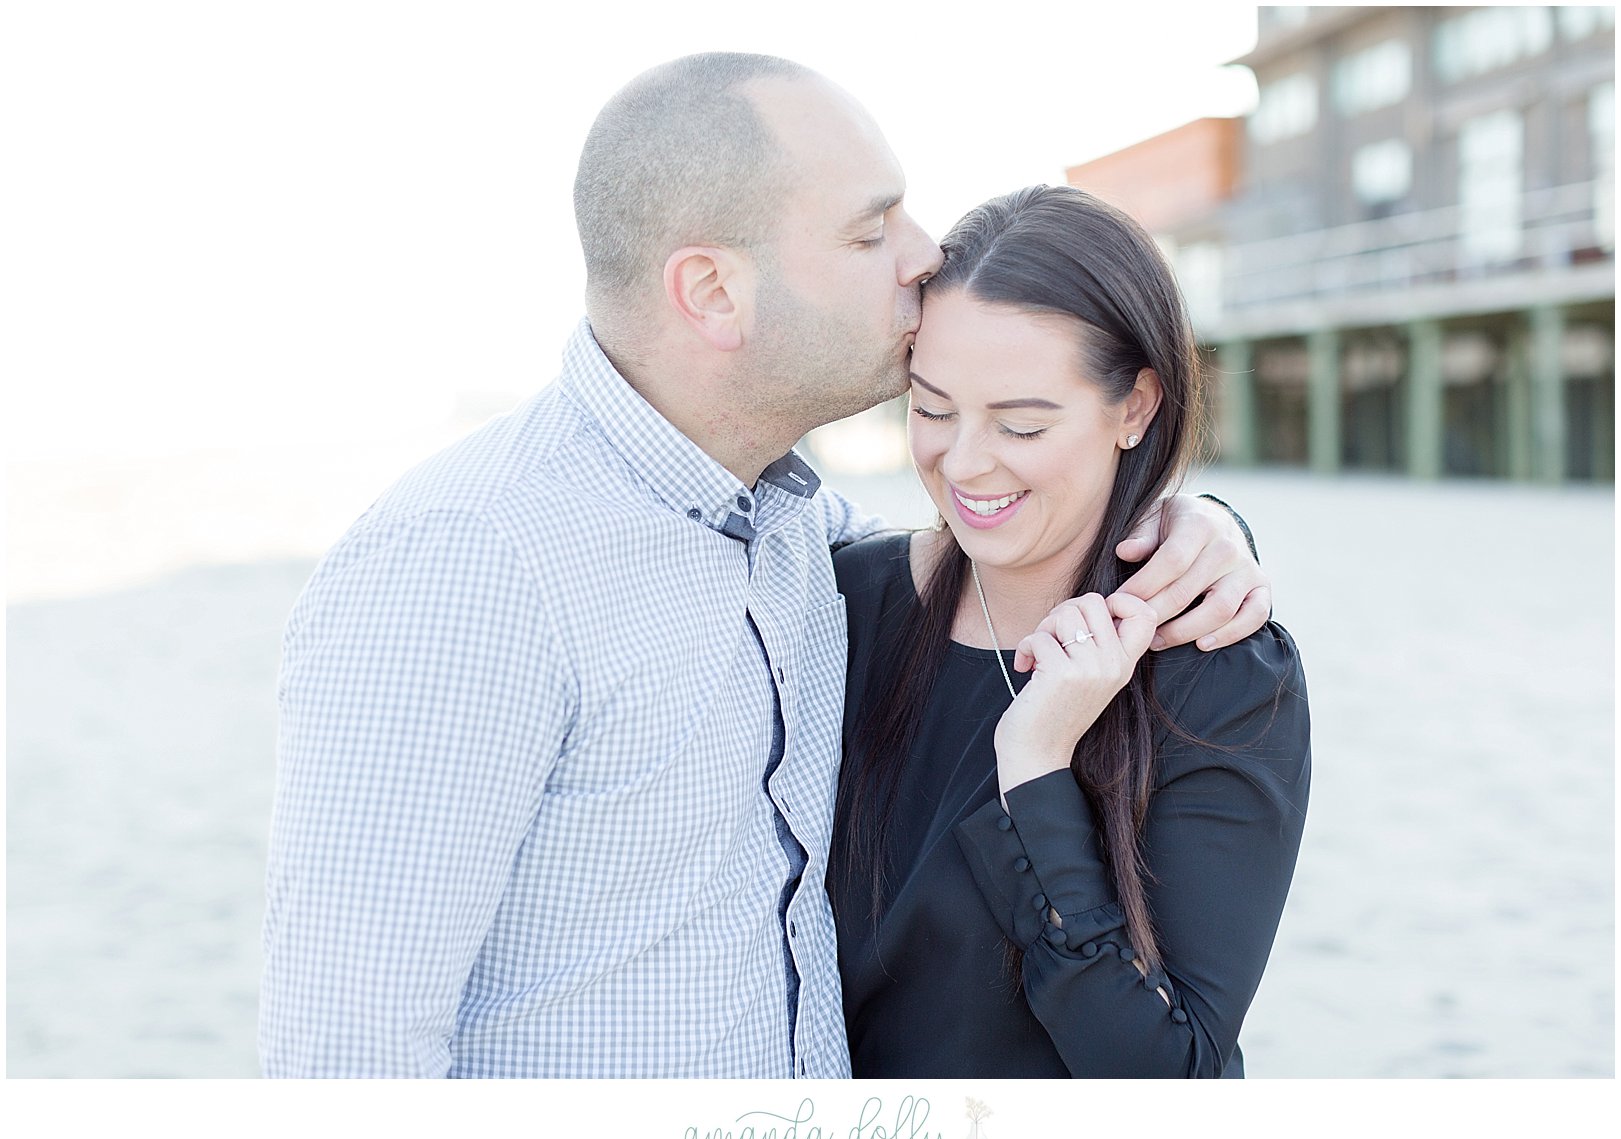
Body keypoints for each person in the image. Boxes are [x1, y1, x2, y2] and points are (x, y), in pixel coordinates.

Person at [260, 54, 1273, 1078]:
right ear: (712, 291)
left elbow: (1012, 525)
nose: (923, 255)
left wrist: (1189, 523)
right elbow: (347, 1058)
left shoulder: (787, 526)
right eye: (869, 230)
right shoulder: (469, 563)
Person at [831, 185, 1310, 1078]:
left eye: (1020, 423)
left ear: (1134, 407)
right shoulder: (842, 605)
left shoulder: (1217, 667)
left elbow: (1171, 1078)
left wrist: (1038, 771)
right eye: (931, 409)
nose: (963, 462)